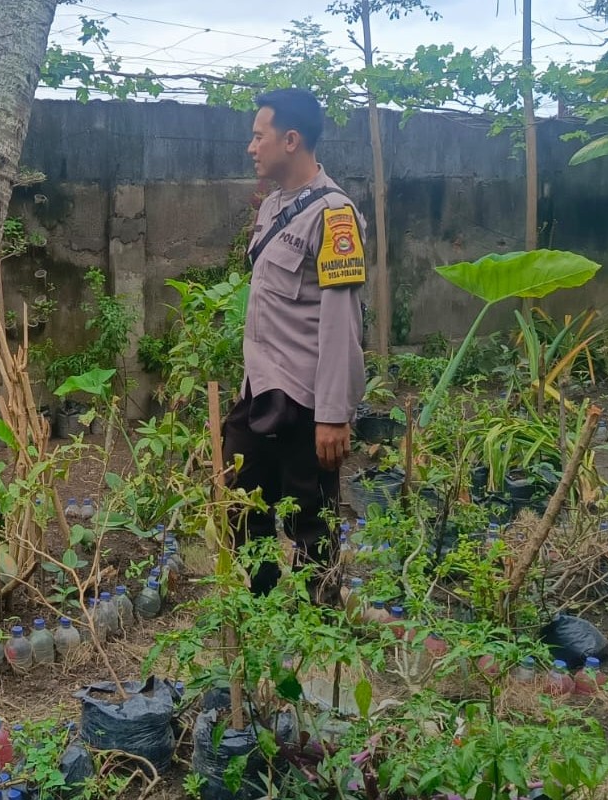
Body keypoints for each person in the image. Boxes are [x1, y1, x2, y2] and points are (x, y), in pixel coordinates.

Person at [223, 88, 366, 601]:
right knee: (242, 505)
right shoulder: (272, 206)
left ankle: (318, 620)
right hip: (261, 389)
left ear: (290, 140)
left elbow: (341, 323)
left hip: (305, 402)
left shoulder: (334, 216)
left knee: (312, 524)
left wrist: (333, 415)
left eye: (258, 136)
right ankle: (260, 607)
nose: (251, 147)